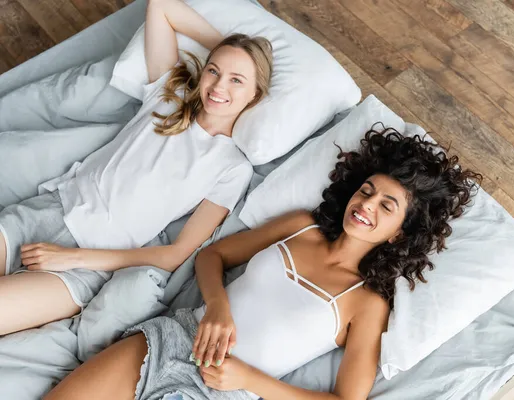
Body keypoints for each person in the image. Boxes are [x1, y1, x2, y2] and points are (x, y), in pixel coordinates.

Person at [45, 129, 481, 400]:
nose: (367, 205)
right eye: (366, 191)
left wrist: (248, 379)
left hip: (228, 394)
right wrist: (216, 306)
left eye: (387, 206)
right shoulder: (301, 227)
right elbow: (214, 255)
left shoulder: (367, 304)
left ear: (399, 233)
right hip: (174, 341)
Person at [0, 0, 273, 335]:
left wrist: (71, 258)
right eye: (214, 70)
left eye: (237, 80)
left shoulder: (233, 167)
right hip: (46, 214)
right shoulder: (168, 95)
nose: (219, 87)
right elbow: (161, 6)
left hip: (83, 267)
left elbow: (175, 255)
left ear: (256, 95)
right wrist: (230, 48)